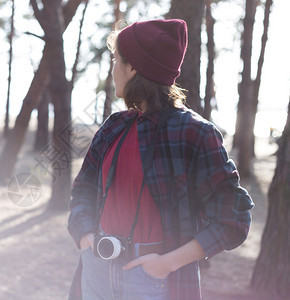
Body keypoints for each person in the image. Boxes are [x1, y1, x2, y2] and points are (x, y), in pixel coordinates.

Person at [67, 19, 253, 300]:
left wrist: (167, 264)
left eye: (116, 60)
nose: (113, 69)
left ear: (133, 68)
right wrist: (85, 239)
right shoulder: (113, 127)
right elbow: (82, 190)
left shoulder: (194, 133)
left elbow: (234, 217)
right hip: (97, 269)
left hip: (155, 280)